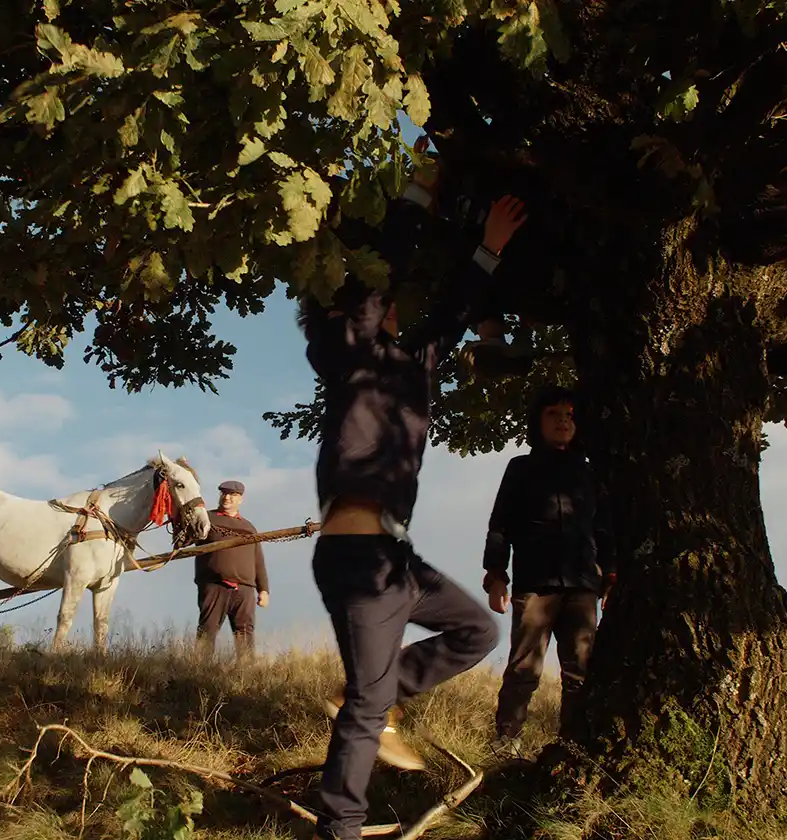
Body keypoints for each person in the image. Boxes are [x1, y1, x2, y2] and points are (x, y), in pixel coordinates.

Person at [297, 139, 518, 840]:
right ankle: (342, 828)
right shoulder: (346, 351)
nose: (392, 306)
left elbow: (454, 311)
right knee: (366, 708)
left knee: (477, 629)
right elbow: (375, 275)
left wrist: (489, 248)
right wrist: (420, 190)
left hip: (398, 560)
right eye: (380, 301)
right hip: (356, 558)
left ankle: (374, 694)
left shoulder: (413, 364)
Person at [481, 385, 613, 758]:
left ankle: (573, 748)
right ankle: (505, 743)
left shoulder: (591, 474)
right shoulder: (521, 468)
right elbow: (500, 525)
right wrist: (496, 575)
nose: (562, 422)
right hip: (534, 583)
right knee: (524, 668)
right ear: (538, 422)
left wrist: (612, 576)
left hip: (583, 584)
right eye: (553, 414)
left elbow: (604, 529)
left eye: (569, 415)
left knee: (580, 672)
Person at [192, 479, 269, 661]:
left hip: (244, 589)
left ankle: (245, 673)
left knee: (245, 631)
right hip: (214, 585)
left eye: (232, 495)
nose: (227, 498)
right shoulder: (207, 518)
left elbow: (258, 560)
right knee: (208, 629)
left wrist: (263, 590)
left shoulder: (248, 527)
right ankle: (198, 671)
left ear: (240, 499)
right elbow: (188, 538)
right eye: (224, 494)